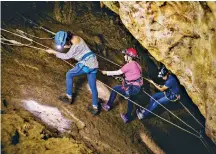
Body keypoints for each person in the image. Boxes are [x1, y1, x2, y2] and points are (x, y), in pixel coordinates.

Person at [46, 31, 99, 115]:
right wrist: (67, 45)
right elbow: (74, 47)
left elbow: (67, 56)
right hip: (94, 63)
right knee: (93, 87)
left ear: (67, 39)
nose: (64, 45)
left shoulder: (75, 46)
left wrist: (53, 52)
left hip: (86, 64)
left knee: (69, 74)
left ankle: (69, 97)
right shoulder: (77, 38)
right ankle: (95, 107)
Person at [101, 48, 143, 123]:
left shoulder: (129, 65)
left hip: (131, 88)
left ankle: (108, 105)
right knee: (131, 100)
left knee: (114, 89)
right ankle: (127, 117)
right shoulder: (138, 65)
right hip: (137, 88)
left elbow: (118, 72)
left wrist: (106, 72)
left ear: (129, 57)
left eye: (125, 55)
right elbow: (136, 75)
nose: (124, 56)